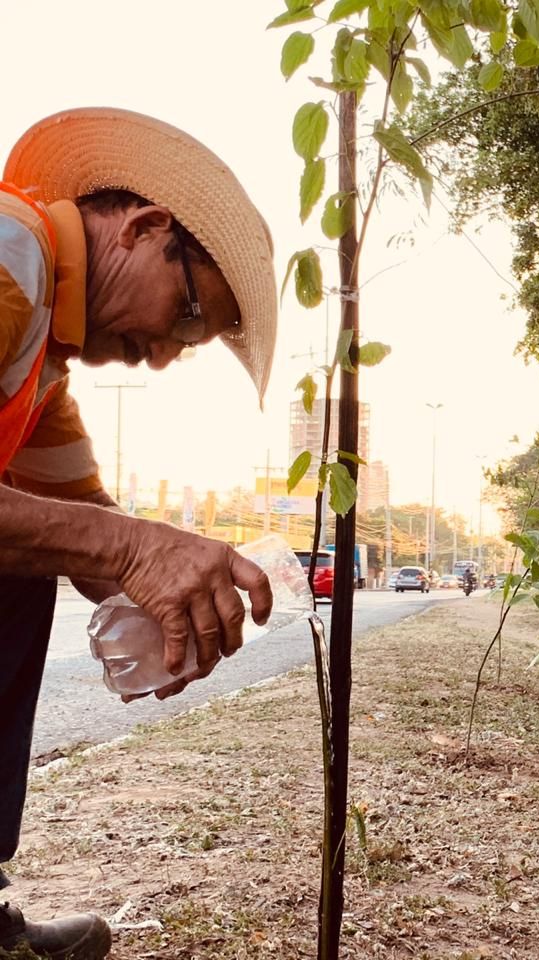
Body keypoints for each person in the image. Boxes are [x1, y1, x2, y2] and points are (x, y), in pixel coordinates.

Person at [0, 108, 279, 959]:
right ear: (145, 228)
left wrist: (180, 588)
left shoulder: (41, 354)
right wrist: (131, 551)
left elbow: (86, 526)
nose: (164, 356)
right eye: (191, 319)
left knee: (32, 551)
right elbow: (110, 545)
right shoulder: (9, 262)